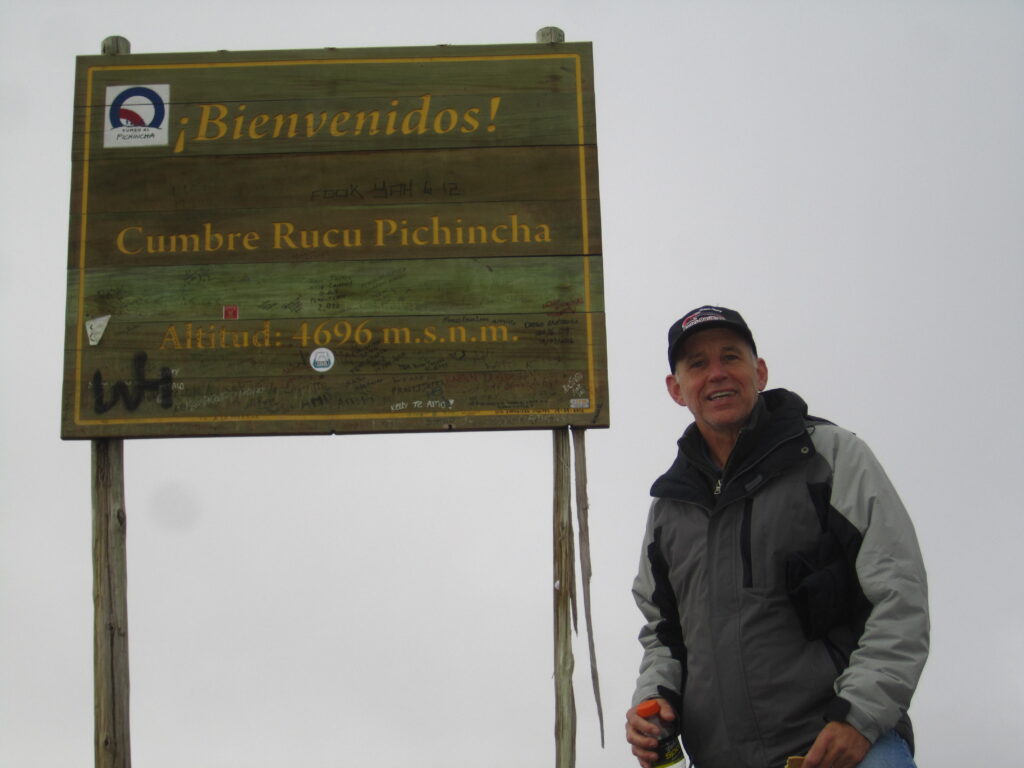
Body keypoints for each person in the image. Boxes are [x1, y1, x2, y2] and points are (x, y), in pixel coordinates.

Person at [625, 306, 929, 768]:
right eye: (697, 364)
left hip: (845, 747)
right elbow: (663, 638)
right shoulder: (669, 510)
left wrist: (859, 717)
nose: (717, 374)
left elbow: (899, 595)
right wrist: (654, 703)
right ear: (676, 388)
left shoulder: (831, 456)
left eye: (731, 357)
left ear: (759, 372)